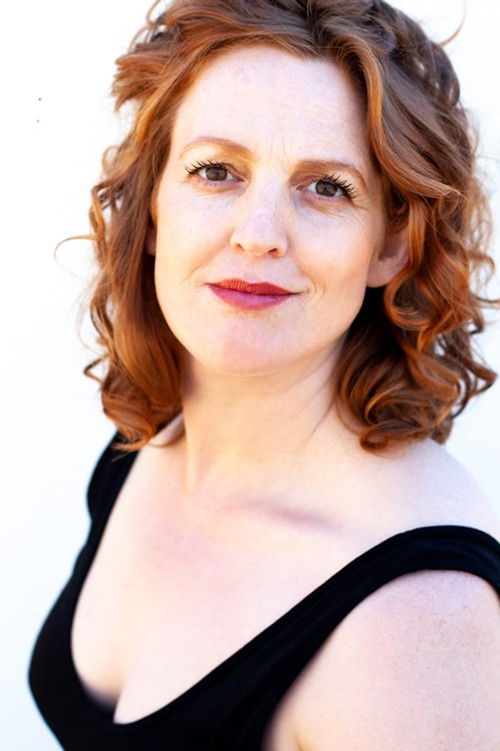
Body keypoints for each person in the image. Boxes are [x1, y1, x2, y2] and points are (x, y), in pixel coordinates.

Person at [29, 0, 500, 749]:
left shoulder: (417, 618)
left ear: (390, 247)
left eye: (328, 187)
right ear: (151, 209)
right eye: (216, 171)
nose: (258, 236)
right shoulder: (145, 444)